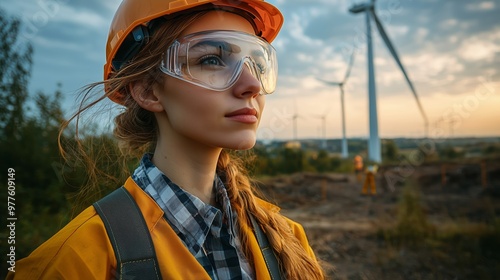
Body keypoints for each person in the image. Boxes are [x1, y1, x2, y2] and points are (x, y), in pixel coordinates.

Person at [7, 0, 325, 279]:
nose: (251, 84)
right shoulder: (71, 263)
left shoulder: (289, 240)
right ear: (147, 90)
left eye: (257, 63)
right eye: (212, 60)